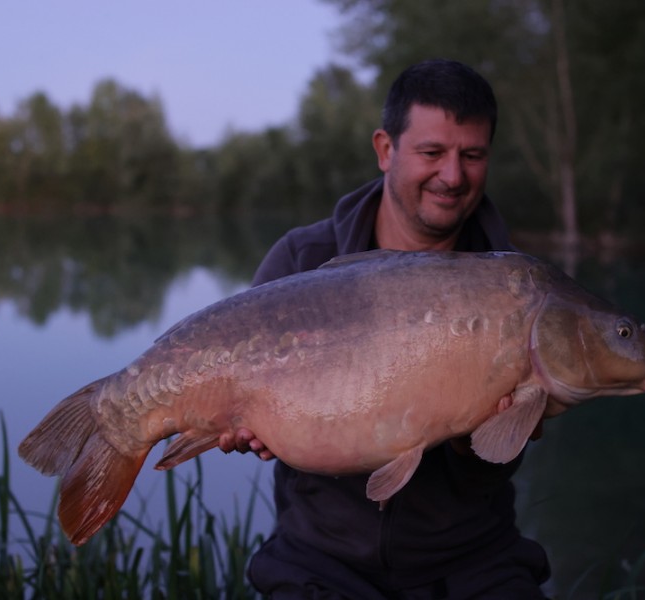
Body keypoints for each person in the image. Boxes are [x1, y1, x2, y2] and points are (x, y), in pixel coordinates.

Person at [220, 59, 551, 599]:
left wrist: (483, 439)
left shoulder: (518, 290)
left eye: (472, 155)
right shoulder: (304, 259)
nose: (453, 175)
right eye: (432, 153)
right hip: (320, 559)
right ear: (385, 149)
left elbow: (492, 466)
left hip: (472, 560)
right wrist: (242, 420)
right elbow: (252, 409)